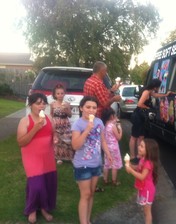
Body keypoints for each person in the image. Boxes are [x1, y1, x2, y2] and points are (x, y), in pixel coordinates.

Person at [71, 96, 113, 224]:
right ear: (81, 108)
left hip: (96, 163)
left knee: (91, 194)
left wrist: (108, 154)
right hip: (82, 164)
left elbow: (102, 140)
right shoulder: (77, 124)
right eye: (88, 107)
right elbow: (75, 146)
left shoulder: (99, 122)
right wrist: (87, 129)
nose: (91, 110)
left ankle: (87, 220)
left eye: (94, 108)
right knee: (85, 194)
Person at [17, 93, 57, 223]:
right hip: (31, 158)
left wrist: (55, 138)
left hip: (47, 157)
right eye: (38, 103)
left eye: (43, 103)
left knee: (47, 183)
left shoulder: (49, 118)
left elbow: (53, 133)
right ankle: (32, 209)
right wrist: (36, 127)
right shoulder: (25, 121)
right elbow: (21, 142)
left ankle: (44, 208)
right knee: (36, 185)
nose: (42, 105)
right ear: (31, 105)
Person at [129, 78, 174, 164]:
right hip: (138, 115)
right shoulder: (146, 92)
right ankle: (132, 157)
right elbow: (139, 104)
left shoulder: (150, 91)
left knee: (141, 137)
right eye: (158, 87)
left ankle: (139, 156)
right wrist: (148, 108)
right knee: (134, 137)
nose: (158, 88)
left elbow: (156, 95)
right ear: (155, 86)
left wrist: (165, 95)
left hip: (142, 116)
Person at [125, 138, 159, 224]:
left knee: (147, 212)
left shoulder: (148, 163)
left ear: (148, 150)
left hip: (147, 190)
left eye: (141, 146)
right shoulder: (143, 159)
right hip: (143, 188)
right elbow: (138, 168)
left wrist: (131, 171)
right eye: (139, 145)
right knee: (145, 211)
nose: (139, 147)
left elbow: (142, 177)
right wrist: (130, 165)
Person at [50, 84, 74, 164]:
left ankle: (70, 156)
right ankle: (59, 157)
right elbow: (51, 115)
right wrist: (52, 123)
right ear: (55, 95)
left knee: (68, 139)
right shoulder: (52, 104)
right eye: (58, 93)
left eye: (62, 93)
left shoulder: (67, 104)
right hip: (56, 124)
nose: (60, 95)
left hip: (65, 124)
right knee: (58, 140)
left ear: (64, 94)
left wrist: (66, 110)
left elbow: (70, 115)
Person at [101, 107, 123, 186]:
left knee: (107, 163)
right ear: (111, 116)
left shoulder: (103, 125)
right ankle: (114, 181)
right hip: (114, 147)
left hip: (106, 147)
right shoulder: (112, 126)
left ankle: (105, 179)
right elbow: (119, 137)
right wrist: (120, 128)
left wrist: (114, 121)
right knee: (115, 164)